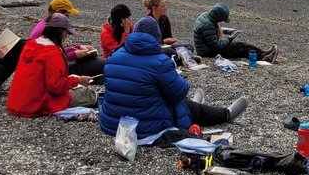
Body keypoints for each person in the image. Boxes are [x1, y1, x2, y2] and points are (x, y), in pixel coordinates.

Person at [99, 15, 248, 140]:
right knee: (181, 103)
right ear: (157, 37)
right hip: (145, 128)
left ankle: (197, 107)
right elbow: (179, 92)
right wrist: (175, 75)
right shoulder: (160, 62)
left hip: (112, 123)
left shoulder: (113, 57)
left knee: (155, 92)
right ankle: (225, 115)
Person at [7, 13, 99, 117]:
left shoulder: (31, 44)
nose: (65, 36)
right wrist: (78, 80)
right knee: (87, 94)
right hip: (35, 105)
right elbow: (55, 86)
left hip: (16, 102)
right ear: (59, 33)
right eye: (66, 33)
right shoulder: (52, 53)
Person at [29, 0, 105, 81]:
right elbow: (50, 59)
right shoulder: (46, 30)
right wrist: (74, 54)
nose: (68, 19)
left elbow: (57, 50)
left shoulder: (46, 25)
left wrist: (77, 47)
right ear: (58, 13)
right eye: (67, 16)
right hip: (45, 73)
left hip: (47, 70)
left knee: (94, 61)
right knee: (101, 64)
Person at [192, 3, 278, 62]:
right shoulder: (208, 25)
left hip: (205, 48)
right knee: (241, 48)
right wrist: (229, 39)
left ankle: (263, 53)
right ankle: (264, 58)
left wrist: (227, 31)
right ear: (218, 17)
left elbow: (211, 32)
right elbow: (216, 46)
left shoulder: (205, 16)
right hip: (207, 52)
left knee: (241, 45)